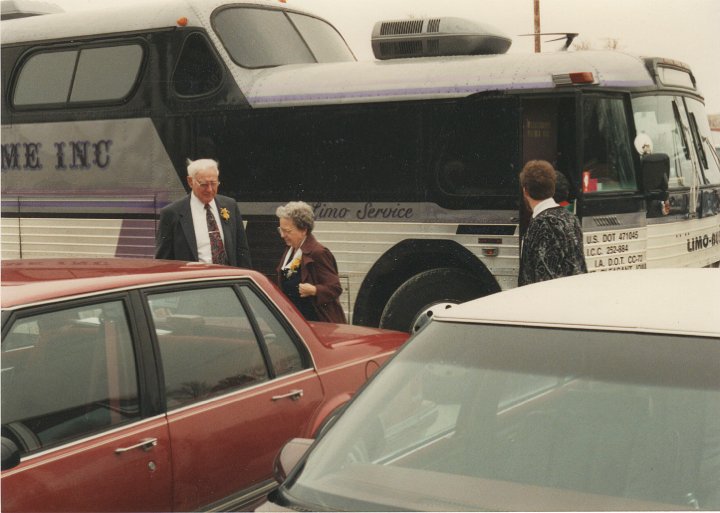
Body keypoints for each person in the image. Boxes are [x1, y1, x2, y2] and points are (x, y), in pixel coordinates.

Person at [156, 158, 252, 268]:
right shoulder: (172, 213)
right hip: (195, 281)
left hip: (226, 280)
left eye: (214, 183)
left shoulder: (230, 205)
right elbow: (163, 261)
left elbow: (242, 251)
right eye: (204, 184)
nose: (210, 189)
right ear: (190, 181)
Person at [518, 160, 587, 286]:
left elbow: (544, 281)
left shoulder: (543, 224)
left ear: (525, 191)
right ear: (552, 188)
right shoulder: (571, 218)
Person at [275, 201, 346, 323]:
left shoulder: (318, 253)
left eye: (287, 231)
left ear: (303, 230)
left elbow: (335, 288)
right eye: (280, 230)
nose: (282, 235)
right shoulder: (290, 250)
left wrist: (314, 290)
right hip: (297, 320)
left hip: (317, 322)